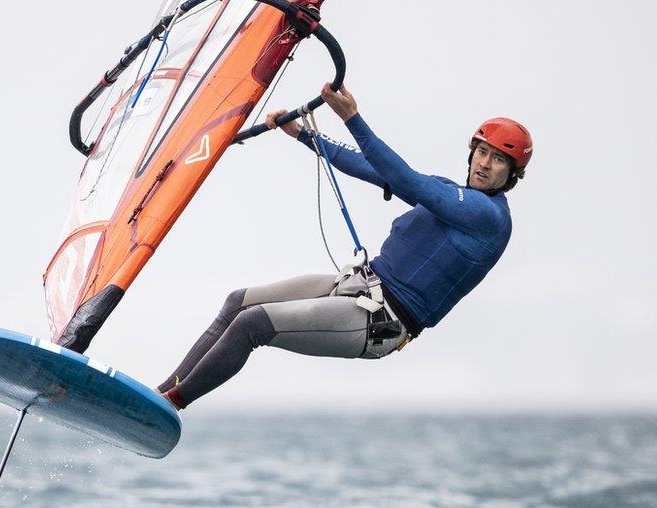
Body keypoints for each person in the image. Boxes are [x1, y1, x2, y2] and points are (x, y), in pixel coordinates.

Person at [157, 83, 533, 410]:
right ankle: (162, 394)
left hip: (378, 322)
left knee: (252, 324)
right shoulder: (451, 193)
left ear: (512, 174)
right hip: (358, 287)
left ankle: (173, 404)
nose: (485, 164)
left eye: (499, 160)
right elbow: (374, 170)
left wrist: (353, 118)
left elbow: (406, 179)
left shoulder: (488, 217)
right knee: (239, 301)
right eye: (482, 152)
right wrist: (306, 135)